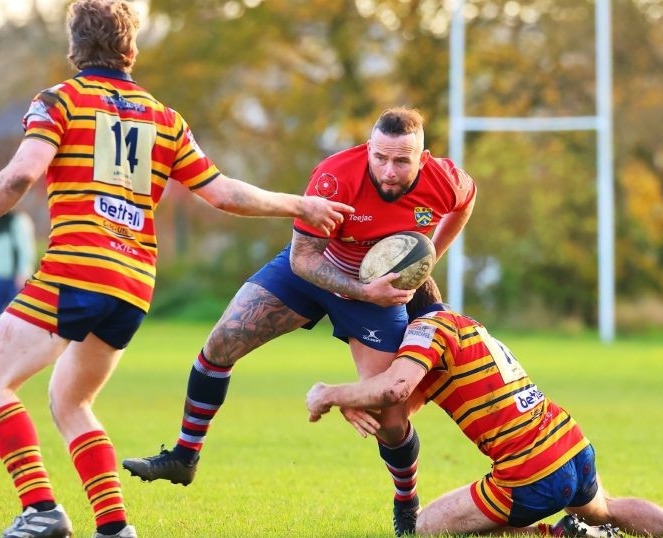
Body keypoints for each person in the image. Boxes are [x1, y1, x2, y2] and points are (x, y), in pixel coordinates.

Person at [0, 1, 352, 537]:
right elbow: (223, 193)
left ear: (75, 48)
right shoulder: (166, 118)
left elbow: (20, 175)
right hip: (133, 284)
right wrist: (298, 204)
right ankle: (115, 527)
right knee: (70, 401)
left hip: (76, 271)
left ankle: (40, 510)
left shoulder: (60, 101)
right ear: (131, 50)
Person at [123, 107, 477, 536]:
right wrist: (362, 290)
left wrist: (431, 256)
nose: (387, 170)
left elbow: (465, 202)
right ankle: (184, 455)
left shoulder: (445, 181)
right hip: (315, 272)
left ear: (421, 159)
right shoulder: (336, 177)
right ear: (368, 148)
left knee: (390, 416)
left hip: (378, 294)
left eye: (401, 161)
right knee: (221, 344)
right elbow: (302, 259)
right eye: (380, 157)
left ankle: (406, 503)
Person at [305, 277, 663, 538]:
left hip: (529, 470)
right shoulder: (466, 327)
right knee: (606, 508)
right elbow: (401, 404)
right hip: (569, 443)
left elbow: (394, 388)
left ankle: (561, 537)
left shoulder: (428, 331)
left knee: (427, 530)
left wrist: (328, 393)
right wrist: (359, 398)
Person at [0, 210, 36, 330]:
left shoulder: (19, 221)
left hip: (16, 278)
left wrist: (23, 273)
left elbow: (26, 250)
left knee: (18, 319)